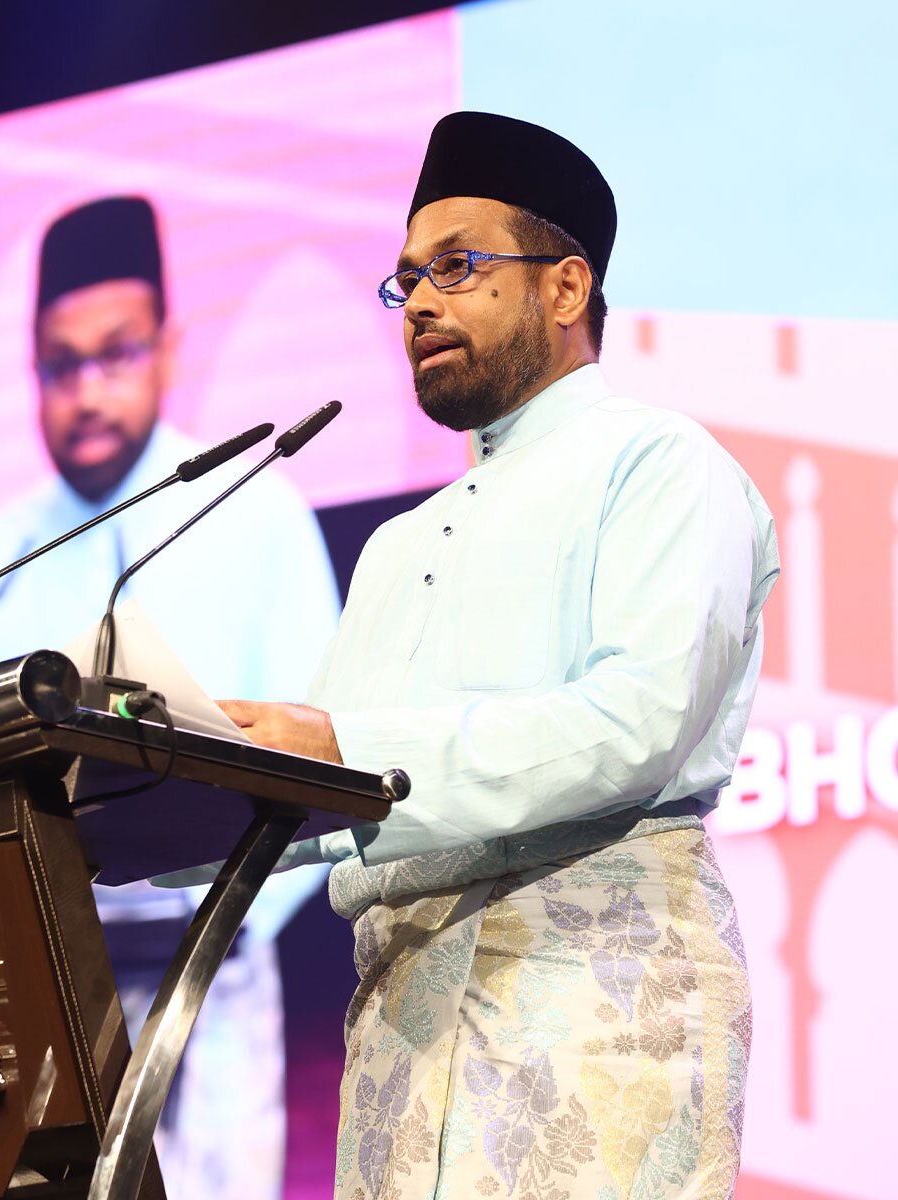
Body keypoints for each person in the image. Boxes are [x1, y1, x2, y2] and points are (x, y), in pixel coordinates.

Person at [211, 113, 779, 1199]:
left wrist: (342, 750)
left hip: (592, 997)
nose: (421, 303)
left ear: (566, 288)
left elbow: (636, 724)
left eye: (458, 267)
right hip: (401, 1030)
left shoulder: (658, 463)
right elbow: (304, 794)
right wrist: (116, 800)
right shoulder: (395, 547)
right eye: (407, 280)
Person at [0, 197, 343, 1198]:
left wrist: (207, 922)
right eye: (62, 366)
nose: (89, 392)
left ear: (167, 349)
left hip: (202, 983)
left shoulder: (255, 518)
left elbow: (323, 761)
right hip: (1, 997)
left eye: (117, 354)